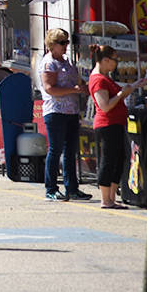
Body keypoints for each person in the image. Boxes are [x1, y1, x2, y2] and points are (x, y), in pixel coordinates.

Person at [90, 46, 147, 208]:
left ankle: (112, 198)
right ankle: (105, 199)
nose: (116, 64)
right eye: (115, 60)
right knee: (108, 161)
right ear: (105, 60)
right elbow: (105, 106)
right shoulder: (98, 80)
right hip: (107, 125)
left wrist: (134, 86)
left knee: (119, 159)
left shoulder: (105, 77)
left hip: (116, 123)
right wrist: (122, 94)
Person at [40, 28, 90, 202]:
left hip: (71, 110)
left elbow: (75, 80)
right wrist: (73, 90)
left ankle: (72, 188)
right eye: (62, 43)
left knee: (70, 150)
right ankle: (51, 188)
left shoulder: (66, 61)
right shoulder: (49, 63)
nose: (65, 46)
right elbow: (49, 88)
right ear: (52, 45)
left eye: (66, 42)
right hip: (56, 111)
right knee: (55, 150)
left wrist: (83, 86)